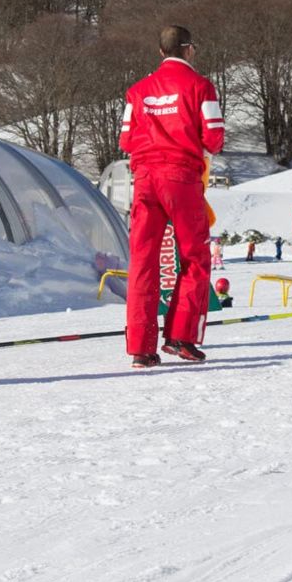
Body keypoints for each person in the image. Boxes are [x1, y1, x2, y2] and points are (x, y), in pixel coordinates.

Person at [119, 25, 225, 368]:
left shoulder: (137, 91)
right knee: (194, 257)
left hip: (145, 179)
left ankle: (141, 348)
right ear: (189, 50)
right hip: (180, 177)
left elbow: (124, 140)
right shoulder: (201, 87)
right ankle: (181, 337)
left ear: (161, 51)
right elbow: (214, 138)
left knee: (143, 261)